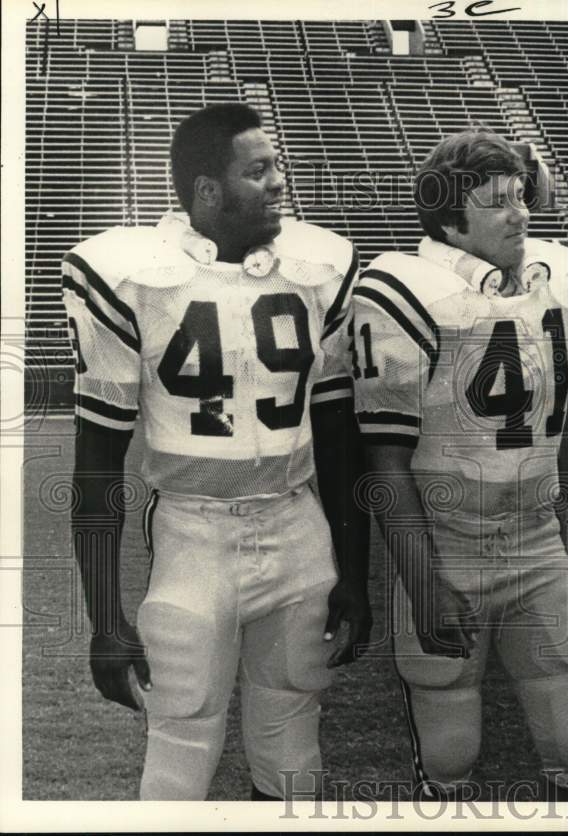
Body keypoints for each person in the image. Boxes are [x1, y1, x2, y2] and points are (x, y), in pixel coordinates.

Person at [62, 102, 371, 800]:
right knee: (181, 737)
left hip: (296, 525)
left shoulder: (316, 268)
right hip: (193, 531)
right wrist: (105, 618)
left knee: (294, 742)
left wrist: (354, 569)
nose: (279, 181)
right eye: (258, 171)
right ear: (208, 191)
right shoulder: (132, 277)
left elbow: (337, 435)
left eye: (278, 165)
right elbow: (96, 464)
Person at [350, 129, 568, 800]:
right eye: (498, 202)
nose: (521, 213)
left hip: (539, 542)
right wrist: (421, 581)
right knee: (449, 755)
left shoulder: (558, 280)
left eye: (520, 197)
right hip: (448, 548)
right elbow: (383, 462)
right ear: (449, 219)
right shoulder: (399, 291)